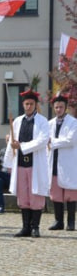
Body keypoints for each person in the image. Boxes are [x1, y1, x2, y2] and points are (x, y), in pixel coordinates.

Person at [4, 89, 50, 237]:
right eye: (26, 104)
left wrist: (22, 146)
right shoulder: (17, 121)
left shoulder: (43, 122)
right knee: (23, 195)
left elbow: (42, 141)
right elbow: (12, 141)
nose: (28, 106)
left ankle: (35, 227)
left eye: (31, 104)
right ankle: (25, 227)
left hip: (35, 164)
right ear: (23, 105)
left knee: (35, 194)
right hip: (21, 165)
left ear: (35, 105)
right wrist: (8, 161)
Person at [47, 94, 77, 230]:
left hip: (68, 162)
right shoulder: (50, 123)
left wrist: (53, 142)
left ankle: (71, 222)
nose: (58, 109)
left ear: (66, 108)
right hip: (54, 162)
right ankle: (58, 221)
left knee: (70, 194)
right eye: (56, 107)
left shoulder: (73, 123)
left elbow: (70, 140)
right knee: (56, 193)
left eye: (61, 107)